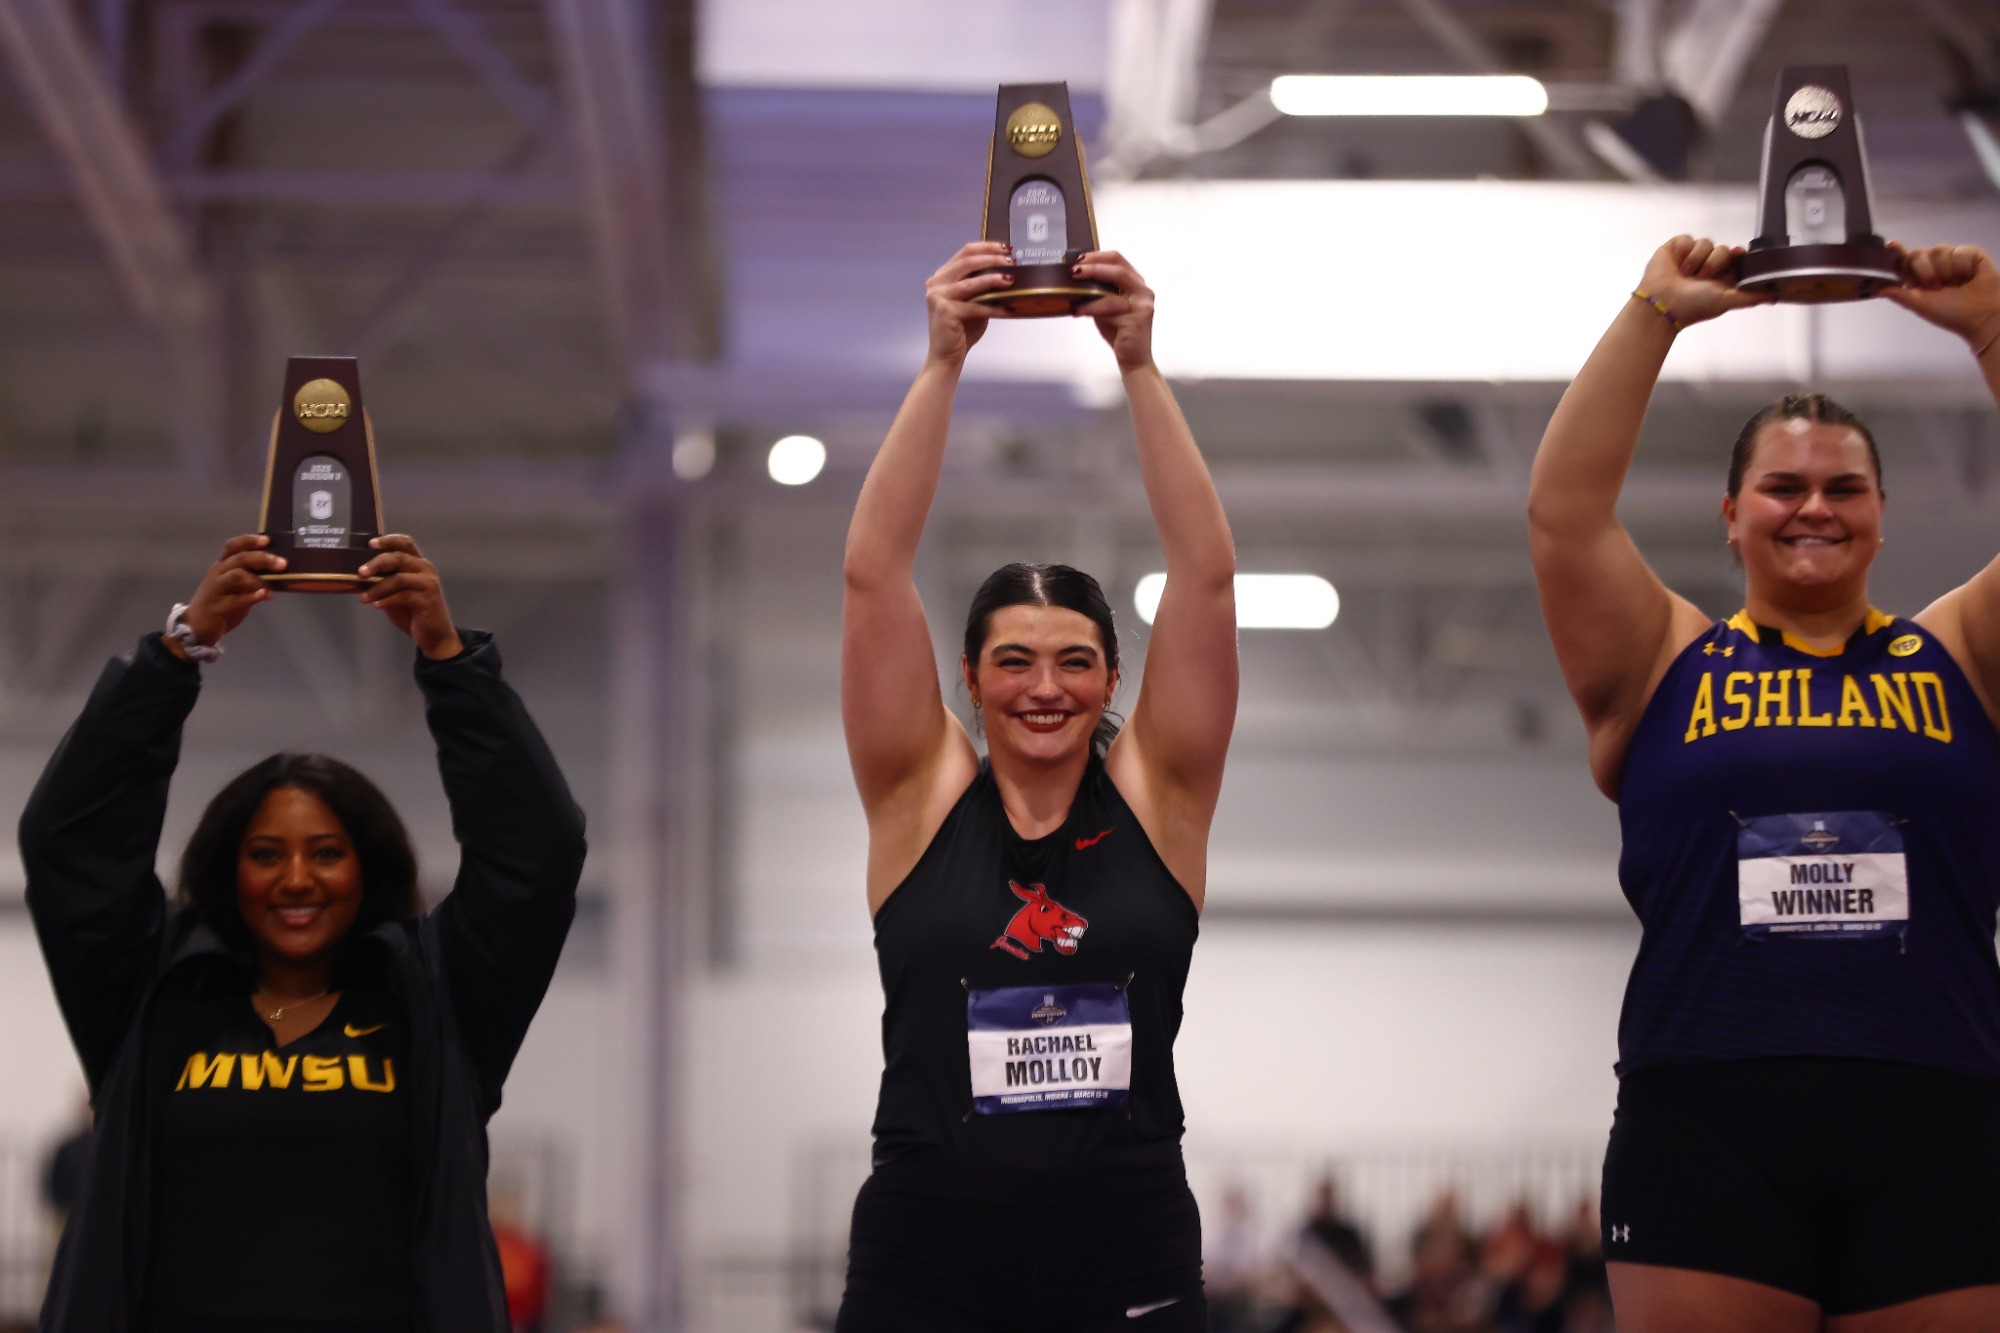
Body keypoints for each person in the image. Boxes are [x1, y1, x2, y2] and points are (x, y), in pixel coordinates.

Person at [1528, 235, 2000, 1331]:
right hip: (1707, 1114)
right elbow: (1562, 514)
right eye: (1780, 486)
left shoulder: (1963, 654)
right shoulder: (1658, 661)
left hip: (1937, 1109)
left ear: (1882, 511)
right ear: (1730, 514)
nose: (1813, 507)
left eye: (1843, 487)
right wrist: (1654, 313)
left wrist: (1989, 328)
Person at [21, 533, 587, 1332]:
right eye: (265, 854)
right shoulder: (146, 986)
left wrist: (450, 661)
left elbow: (540, 849)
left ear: (370, 867)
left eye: (326, 852)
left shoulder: (439, 995)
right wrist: (176, 654)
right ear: (228, 867)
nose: (295, 879)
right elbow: (68, 839)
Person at [834, 241, 1238, 1332]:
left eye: (1073, 660)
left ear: (1114, 676)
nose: (1043, 687)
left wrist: (1140, 369)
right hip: (928, 1240)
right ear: (968, 678)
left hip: (1124, 1236)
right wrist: (940, 365)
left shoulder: (1162, 798)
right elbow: (873, 570)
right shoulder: (917, 798)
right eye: (1012, 660)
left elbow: (1202, 575)